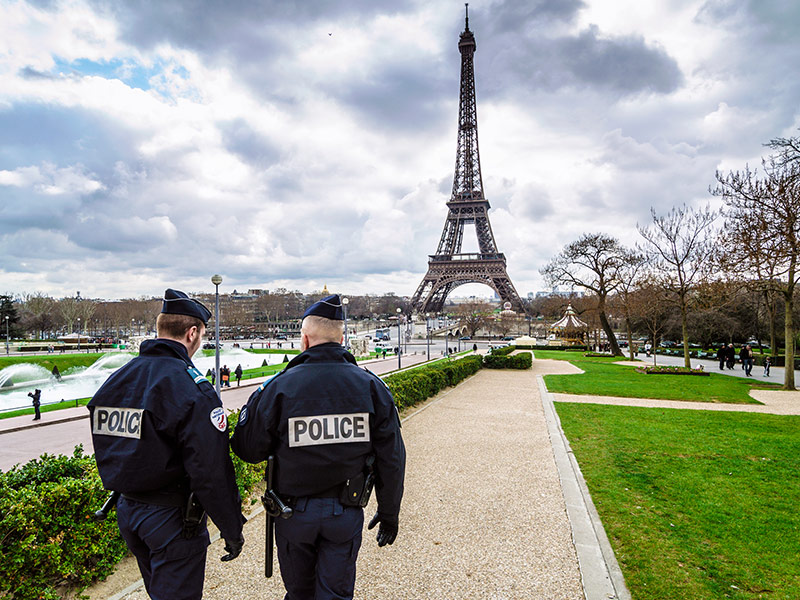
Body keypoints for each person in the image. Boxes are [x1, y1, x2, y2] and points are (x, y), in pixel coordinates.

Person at [232, 294, 405, 600]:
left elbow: (249, 449)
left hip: (292, 512)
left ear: (305, 339)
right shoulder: (370, 386)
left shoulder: (279, 387)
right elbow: (391, 457)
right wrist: (389, 511)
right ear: (342, 337)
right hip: (345, 511)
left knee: (299, 593)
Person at [88, 289, 245, 600]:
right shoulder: (190, 387)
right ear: (192, 333)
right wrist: (231, 527)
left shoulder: (118, 378)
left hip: (128, 510)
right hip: (171, 518)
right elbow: (210, 471)